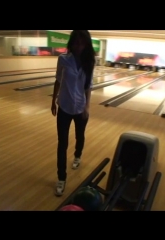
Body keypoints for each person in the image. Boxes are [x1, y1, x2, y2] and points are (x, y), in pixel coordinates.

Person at [51, 30, 96, 196]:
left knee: (80, 135)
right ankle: (61, 178)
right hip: (64, 106)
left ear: (86, 44)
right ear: (72, 43)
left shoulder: (90, 62)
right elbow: (57, 80)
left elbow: (88, 85)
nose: (79, 46)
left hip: (80, 107)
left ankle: (78, 155)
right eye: (76, 43)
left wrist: (87, 107)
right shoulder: (63, 59)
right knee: (62, 143)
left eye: (82, 43)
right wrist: (53, 101)